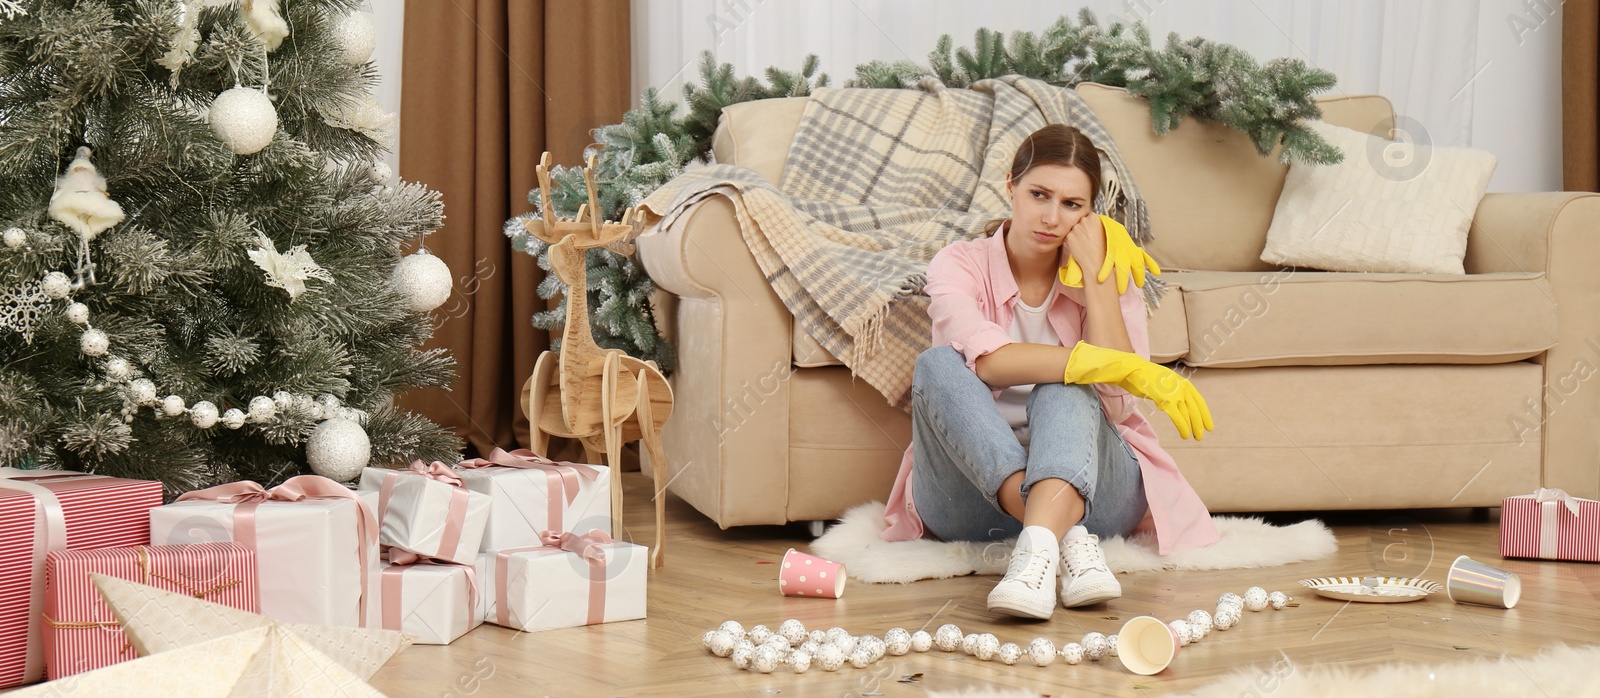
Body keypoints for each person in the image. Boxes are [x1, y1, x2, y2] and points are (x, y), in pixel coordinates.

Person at [879, 124, 1221, 620]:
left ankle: (1036, 553)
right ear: (1010, 185)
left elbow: (1114, 399)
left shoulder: (1105, 264)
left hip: (1094, 491)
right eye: (1039, 194)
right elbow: (991, 363)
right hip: (968, 497)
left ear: (1090, 213)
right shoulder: (958, 265)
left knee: (1068, 389)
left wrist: (1099, 276)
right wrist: (1102, 362)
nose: (1050, 216)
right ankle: (1061, 538)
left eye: (1072, 204)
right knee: (937, 364)